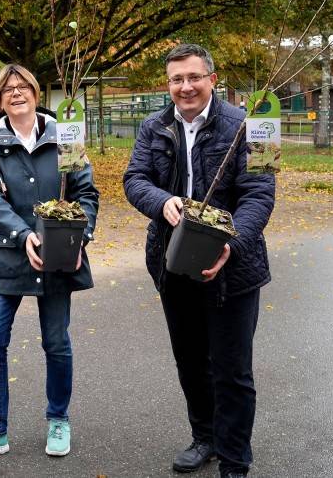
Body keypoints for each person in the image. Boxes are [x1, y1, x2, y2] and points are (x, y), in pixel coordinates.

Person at [123, 44, 275, 478]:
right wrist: (161, 201)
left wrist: (232, 242)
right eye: (177, 79)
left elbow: (260, 193)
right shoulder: (153, 126)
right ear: (168, 83)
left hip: (234, 268)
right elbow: (134, 178)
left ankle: (234, 459)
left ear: (212, 79)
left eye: (193, 77)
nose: (185, 87)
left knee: (232, 370)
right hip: (173, 263)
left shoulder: (253, 125)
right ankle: (204, 437)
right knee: (191, 362)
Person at [0, 64, 99, 463]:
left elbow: (86, 193)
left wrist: (80, 237)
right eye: (8, 89)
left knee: (56, 342)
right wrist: (23, 235)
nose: (16, 92)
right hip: (8, 253)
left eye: (23, 87)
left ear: (36, 94)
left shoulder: (65, 135)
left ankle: (59, 419)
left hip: (58, 254)